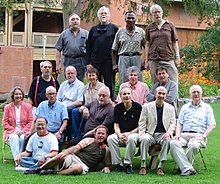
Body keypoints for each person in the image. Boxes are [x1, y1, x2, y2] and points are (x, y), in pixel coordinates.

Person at [170, 85, 216, 176]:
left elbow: (212, 124)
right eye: (193, 92)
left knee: (194, 145)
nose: (196, 94)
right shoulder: (185, 107)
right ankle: (188, 168)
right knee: (173, 143)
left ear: (201, 94)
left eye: (198, 92)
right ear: (190, 94)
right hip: (184, 135)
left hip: (198, 136)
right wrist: (177, 134)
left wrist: (203, 136)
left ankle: (183, 168)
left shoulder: (207, 108)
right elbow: (179, 123)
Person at [34, 125, 111, 175]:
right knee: (61, 155)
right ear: (95, 134)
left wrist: (107, 167)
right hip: (74, 157)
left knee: (78, 169)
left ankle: (55, 173)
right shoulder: (88, 140)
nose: (100, 135)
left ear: (106, 136)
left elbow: (108, 164)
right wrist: (66, 152)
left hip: (84, 165)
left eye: (103, 134)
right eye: (99, 133)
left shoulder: (106, 150)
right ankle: (38, 169)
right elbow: (76, 148)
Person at [138, 86, 176, 175]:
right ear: (155, 94)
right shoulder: (146, 107)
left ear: (166, 96)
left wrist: (169, 133)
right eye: (159, 93)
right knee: (144, 139)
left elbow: (172, 124)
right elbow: (142, 122)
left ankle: (160, 166)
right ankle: (143, 165)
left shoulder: (170, 108)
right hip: (150, 133)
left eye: (163, 94)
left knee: (167, 140)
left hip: (163, 134)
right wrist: (141, 135)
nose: (161, 95)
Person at [85, 6, 118, 100]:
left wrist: (116, 63)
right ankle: (97, 103)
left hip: (109, 62)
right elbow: (89, 47)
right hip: (96, 62)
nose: (103, 15)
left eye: (105, 13)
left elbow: (117, 48)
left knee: (109, 84)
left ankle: (110, 102)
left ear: (109, 15)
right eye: (101, 13)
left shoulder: (114, 28)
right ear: (98, 16)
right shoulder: (93, 30)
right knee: (96, 84)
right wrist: (88, 63)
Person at [107, 87, 142, 174]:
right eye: (124, 94)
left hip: (135, 133)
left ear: (131, 95)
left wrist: (129, 133)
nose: (126, 96)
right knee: (111, 138)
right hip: (121, 134)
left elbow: (141, 126)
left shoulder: (138, 107)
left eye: (128, 94)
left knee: (131, 138)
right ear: (120, 96)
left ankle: (128, 164)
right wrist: (119, 135)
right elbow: (116, 124)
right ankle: (118, 164)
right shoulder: (118, 108)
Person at [145, 4, 180, 84]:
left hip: (168, 58)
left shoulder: (170, 25)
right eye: (155, 12)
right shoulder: (149, 28)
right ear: (152, 15)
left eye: (159, 12)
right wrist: (146, 61)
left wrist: (177, 56)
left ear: (162, 13)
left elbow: (175, 41)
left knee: (173, 81)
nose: (157, 14)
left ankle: (174, 97)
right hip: (154, 59)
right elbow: (147, 45)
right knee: (156, 83)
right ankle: (158, 96)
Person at [112, 10, 146, 85]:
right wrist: (114, 64)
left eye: (132, 18)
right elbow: (114, 49)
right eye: (129, 18)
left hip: (136, 58)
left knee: (138, 81)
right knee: (123, 82)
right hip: (123, 58)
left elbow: (146, 47)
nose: (131, 20)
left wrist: (145, 61)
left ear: (135, 19)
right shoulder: (120, 32)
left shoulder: (141, 32)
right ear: (125, 20)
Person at [71, 67, 106, 138]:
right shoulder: (85, 87)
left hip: (97, 108)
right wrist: (84, 108)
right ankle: (74, 135)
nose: (91, 77)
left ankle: (80, 136)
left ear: (96, 76)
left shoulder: (102, 87)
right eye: (89, 75)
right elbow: (83, 101)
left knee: (86, 115)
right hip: (86, 107)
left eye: (93, 75)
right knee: (74, 111)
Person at [2, 87, 33, 165]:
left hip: (24, 130)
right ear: (13, 96)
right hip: (11, 131)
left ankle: (20, 157)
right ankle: (17, 160)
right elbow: (4, 122)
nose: (18, 96)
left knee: (23, 138)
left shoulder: (28, 107)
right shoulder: (7, 107)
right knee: (14, 137)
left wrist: (23, 131)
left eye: (20, 94)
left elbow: (31, 121)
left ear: (22, 95)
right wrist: (14, 131)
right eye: (16, 94)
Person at [55, 13, 88, 82]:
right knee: (69, 80)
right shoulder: (64, 34)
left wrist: (89, 63)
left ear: (79, 22)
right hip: (68, 60)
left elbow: (90, 49)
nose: (75, 21)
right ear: (70, 23)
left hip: (81, 60)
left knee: (80, 82)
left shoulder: (86, 34)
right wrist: (58, 64)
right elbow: (58, 49)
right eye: (73, 19)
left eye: (77, 19)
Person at [35, 86, 69, 152]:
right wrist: (31, 131)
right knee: (30, 138)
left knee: (56, 142)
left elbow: (65, 121)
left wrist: (59, 132)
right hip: (43, 130)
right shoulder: (42, 105)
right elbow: (36, 120)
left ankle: (55, 160)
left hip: (56, 131)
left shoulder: (62, 106)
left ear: (56, 94)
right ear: (46, 95)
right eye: (49, 94)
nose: (52, 96)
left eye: (53, 94)